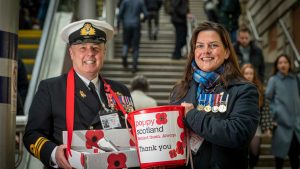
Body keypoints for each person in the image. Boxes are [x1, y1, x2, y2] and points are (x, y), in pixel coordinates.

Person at [23, 19, 135, 169]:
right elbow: (31, 135)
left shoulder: (120, 90)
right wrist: (54, 152)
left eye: (96, 48)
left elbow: (134, 134)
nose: (90, 54)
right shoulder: (50, 88)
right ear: (71, 53)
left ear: (104, 52)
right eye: (82, 48)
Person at [170, 21, 260, 168]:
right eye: (200, 46)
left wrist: (192, 115)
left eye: (213, 45)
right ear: (193, 52)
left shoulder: (244, 90)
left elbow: (238, 134)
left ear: (227, 52)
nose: (206, 51)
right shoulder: (179, 90)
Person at [265, 54, 300, 169]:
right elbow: (267, 100)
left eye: (285, 62)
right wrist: (274, 114)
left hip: (296, 124)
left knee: (295, 158)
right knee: (279, 160)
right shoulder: (273, 80)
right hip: (280, 124)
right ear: (277, 65)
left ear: (289, 64)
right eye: (280, 63)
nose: (283, 65)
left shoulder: (295, 79)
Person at [241, 63, 264, 169]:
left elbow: (264, 108)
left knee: (255, 152)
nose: (249, 76)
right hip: (240, 123)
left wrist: (267, 127)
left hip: (255, 124)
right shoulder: (237, 87)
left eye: (251, 73)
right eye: (246, 73)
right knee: (243, 152)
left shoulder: (258, 88)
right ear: (242, 74)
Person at [118, 0, 148, 73]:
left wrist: (119, 24)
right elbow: (146, 14)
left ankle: (124, 55)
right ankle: (134, 66)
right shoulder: (140, 2)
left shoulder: (125, 1)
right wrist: (142, 20)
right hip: (136, 24)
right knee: (135, 45)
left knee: (125, 42)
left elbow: (120, 14)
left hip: (126, 25)